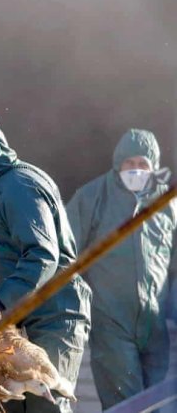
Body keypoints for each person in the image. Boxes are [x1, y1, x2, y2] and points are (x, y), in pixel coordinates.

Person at [0, 117, 91, 413]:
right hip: (27, 315)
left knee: (45, 404)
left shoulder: (17, 185)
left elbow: (42, 254)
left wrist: (1, 298)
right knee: (13, 403)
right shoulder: (4, 187)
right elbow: (18, 253)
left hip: (53, 313)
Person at [66, 128, 176, 409]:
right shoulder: (93, 197)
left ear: (154, 167)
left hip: (155, 326)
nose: (136, 170)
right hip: (111, 321)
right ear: (118, 164)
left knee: (158, 402)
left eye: (143, 164)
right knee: (126, 403)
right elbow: (64, 253)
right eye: (130, 163)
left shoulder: (167, 204)